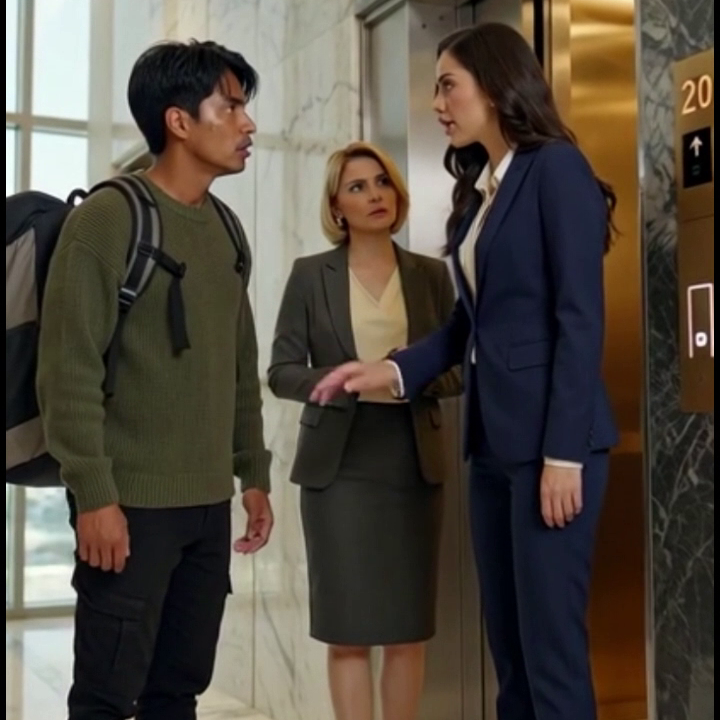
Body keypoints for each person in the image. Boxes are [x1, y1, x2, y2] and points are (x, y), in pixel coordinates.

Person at [312, 23, 620, 720]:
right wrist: (390, 372)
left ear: (496, 84)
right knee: (509, 658)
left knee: (551, 659)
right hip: (492, 450)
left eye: (448, 85)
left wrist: (563, 455)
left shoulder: (555, 170)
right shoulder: (481, 192)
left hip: (551, 449)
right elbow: (466, 326)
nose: (438, 104)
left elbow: (579, 321)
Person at [37, 41, 273, 720]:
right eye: (230, 106)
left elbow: (238, 362)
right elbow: (68, 369)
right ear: (178, 120)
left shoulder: (226, 229)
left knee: (178, 693)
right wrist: (94, 495)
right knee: (106, 698)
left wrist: (252, 471)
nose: (248, 123)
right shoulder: (108, 217)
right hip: (128, 504)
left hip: (207, 506)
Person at [268, 141, 462, 720]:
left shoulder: (430, 275)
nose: (375, 194)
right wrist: (342, 379)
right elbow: (281, 371)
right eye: (357, 187)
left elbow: (458, 366)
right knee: (348, 630)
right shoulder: (310, 276)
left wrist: (402, 378)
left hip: (411, 463)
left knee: (407, 629)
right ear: (337, 206)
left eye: (382, 182)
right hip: (339, 469)